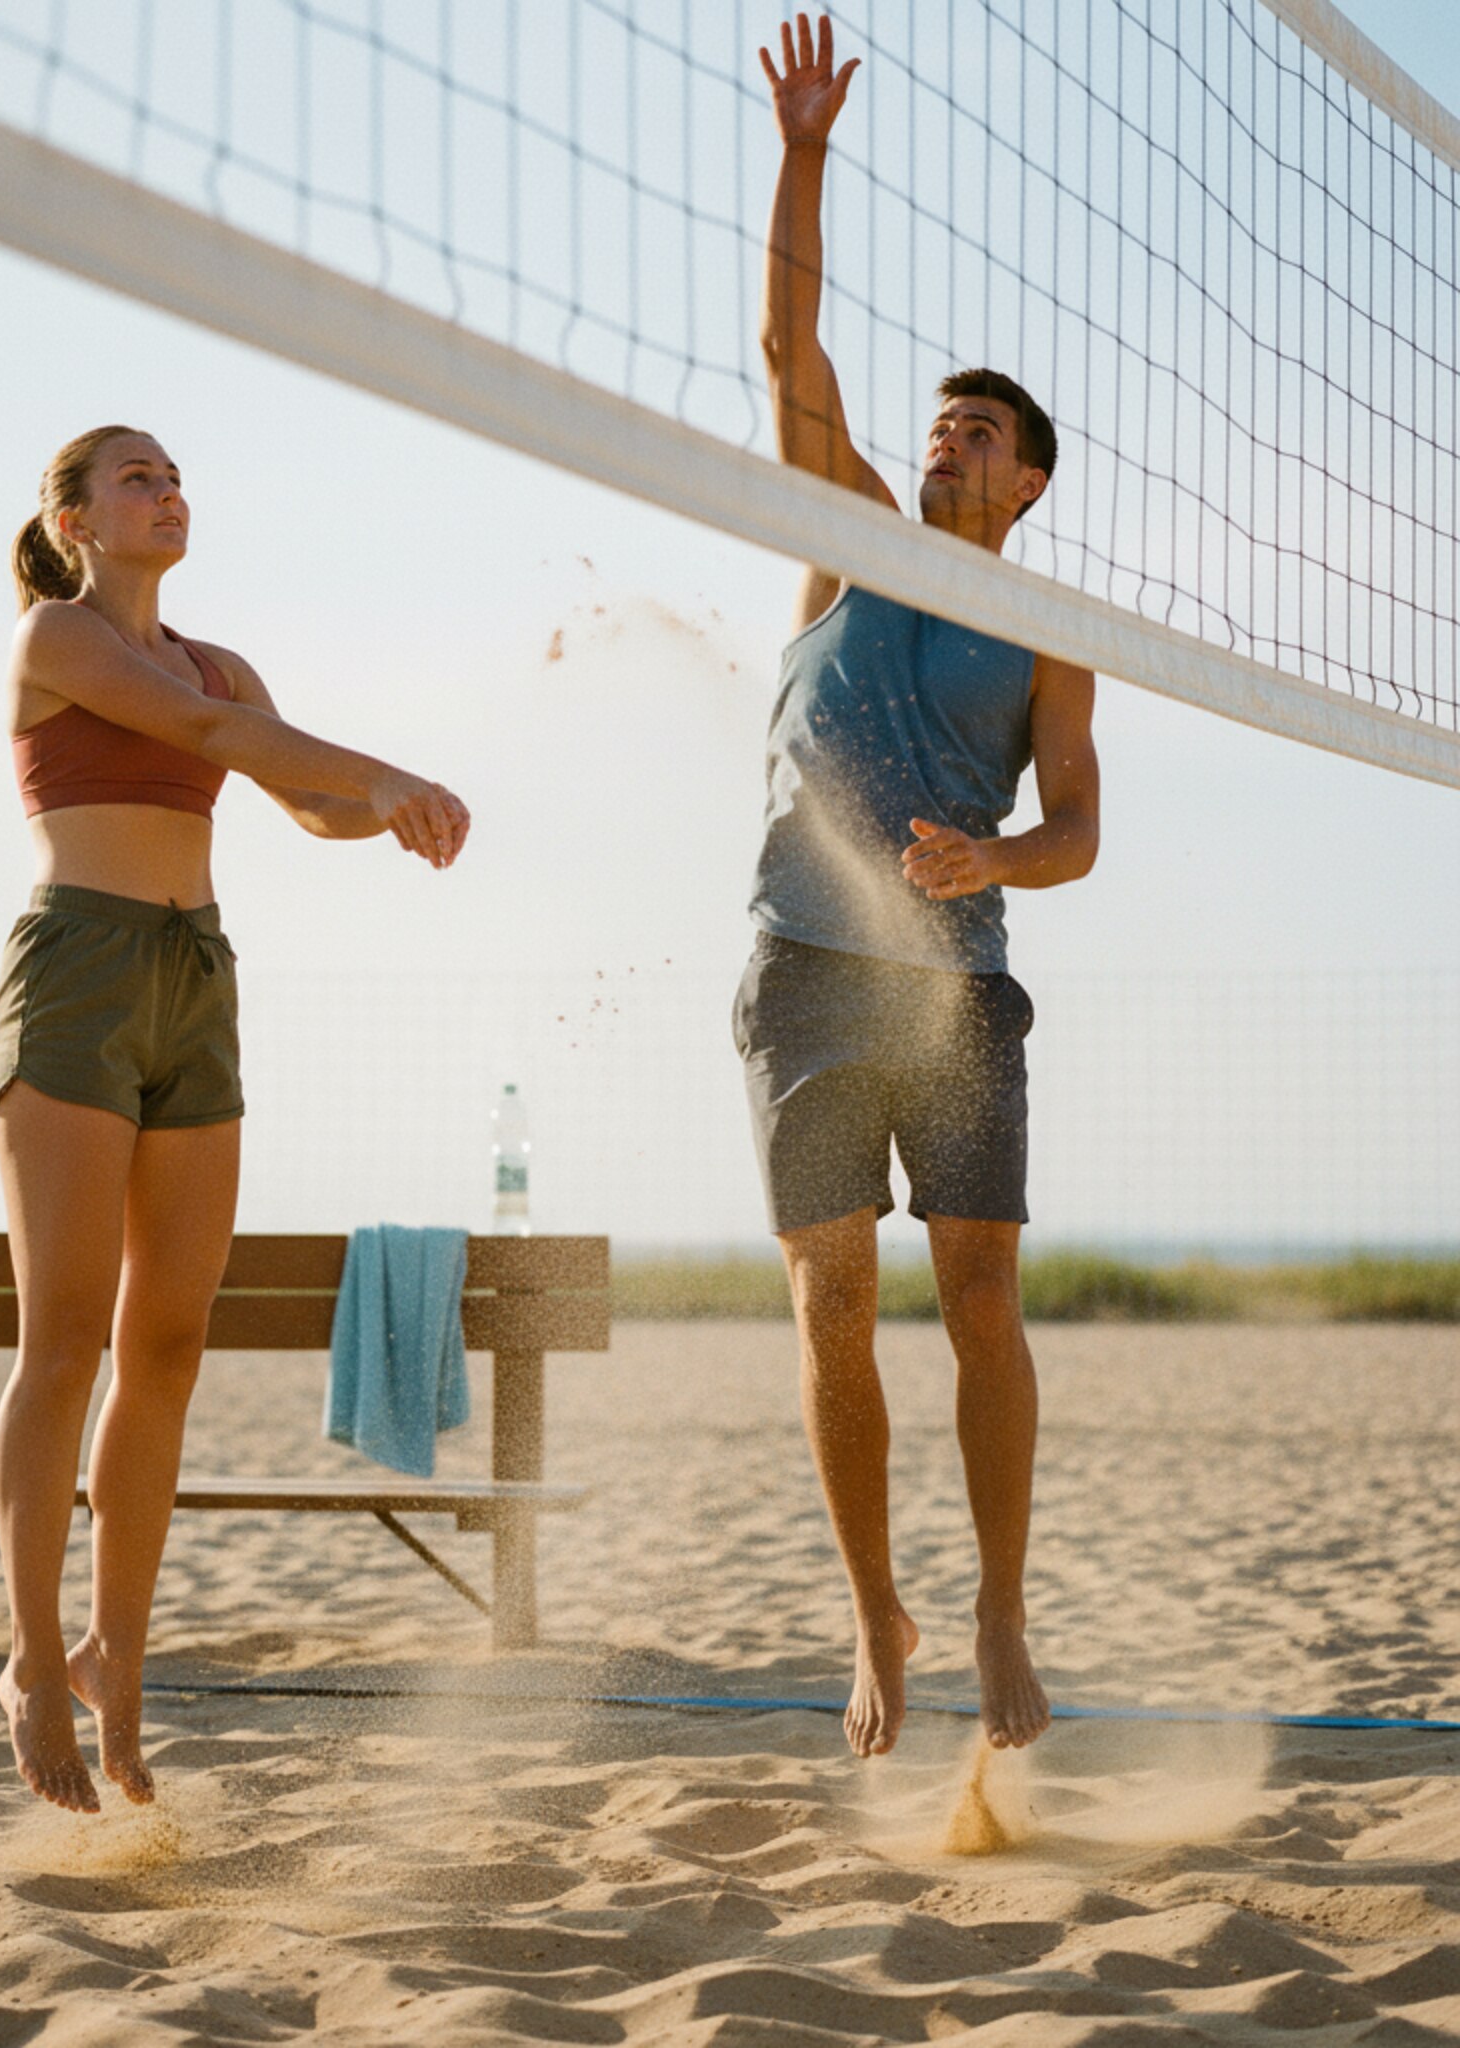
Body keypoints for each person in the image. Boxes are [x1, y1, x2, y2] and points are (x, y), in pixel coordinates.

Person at [0, 424, 470, 1812]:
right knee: (67, 1335)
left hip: (197, 979)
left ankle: (113, 1655)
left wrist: (374, 814)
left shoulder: (222, 664)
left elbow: (282, 779)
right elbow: (210, 738)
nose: (167, 490)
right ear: (74, 520)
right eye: (135, 476)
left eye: (174, 474)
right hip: (78, 972)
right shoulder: (58, 644)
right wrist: (381, 770)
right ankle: (27, 1658)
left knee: (172, 1341)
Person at [742, 16, 1101, 1758]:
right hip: (804, 971)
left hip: (958, 981)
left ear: (1026, 482)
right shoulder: (854, 534)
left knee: (978, 1297)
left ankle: (998, 1608)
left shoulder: (1053, 640)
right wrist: (805, 149)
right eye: (938, 426)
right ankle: (874, 1610)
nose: (944, 444)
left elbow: (1082, 835)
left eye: (976, 434)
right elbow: (784, 340)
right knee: (831, 1302)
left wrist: (994, 854)